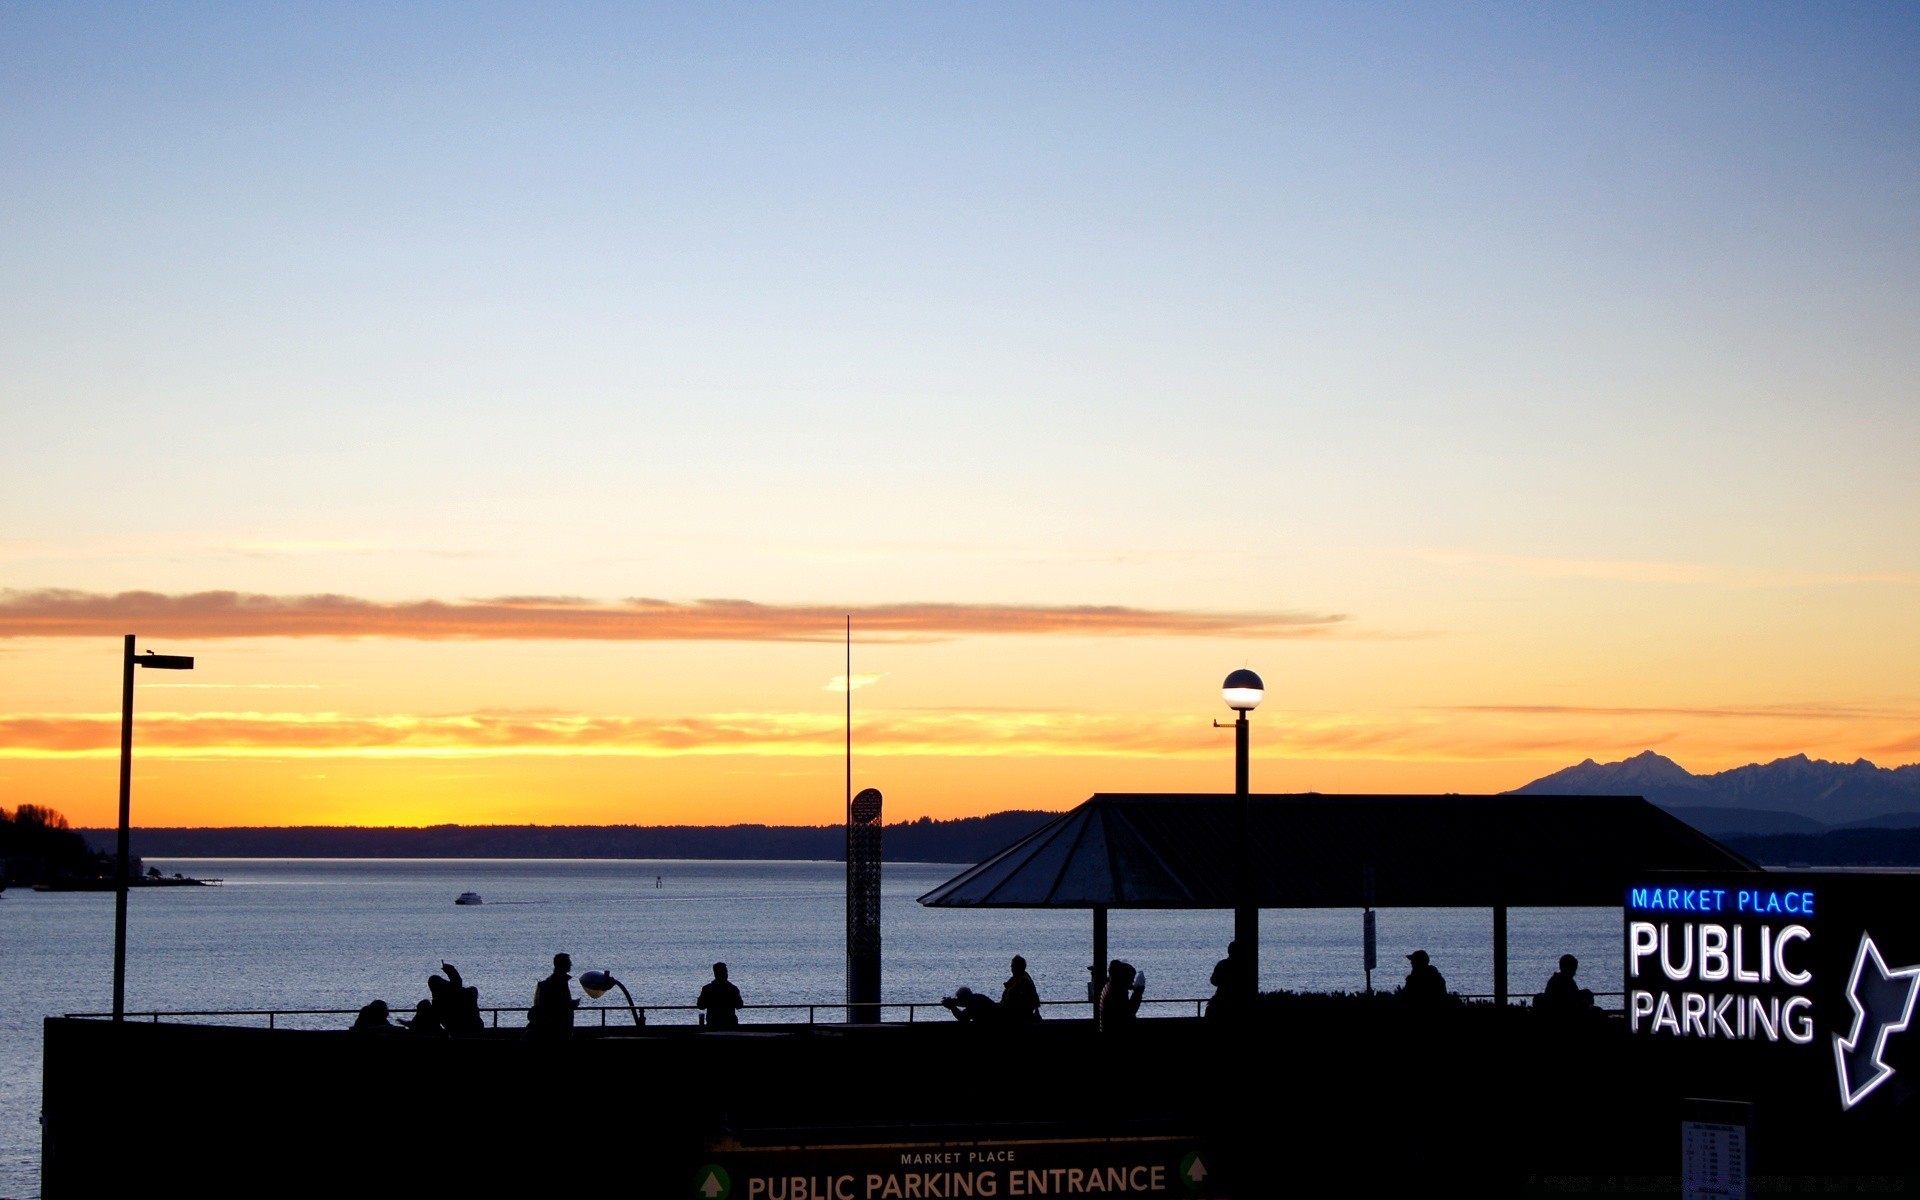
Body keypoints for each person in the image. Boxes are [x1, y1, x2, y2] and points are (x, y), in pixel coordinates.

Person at [527, 952, 580, 1039]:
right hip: (557, 1029)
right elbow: (556, 1005)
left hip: (555, 1028)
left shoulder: (552, 982)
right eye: (568, 962)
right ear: (563, 965)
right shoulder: (558, 983)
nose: (571, 964)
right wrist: (571, 1005)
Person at [1537, 954, 1596, 1018]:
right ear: (1566, 968)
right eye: (1573, 969)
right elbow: (1568, 1002)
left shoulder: (1568, 981)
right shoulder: (1558, 982)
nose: (1574, 973)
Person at [435, 962, 485, 1034]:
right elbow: (457, 983)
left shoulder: (441, 999)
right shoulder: (465, 998)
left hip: (456, 1029)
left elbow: (457, 983)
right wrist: (450, 970)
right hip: (470, 1028)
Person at [1096, 960, 1144, 1032]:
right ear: (1124, 978)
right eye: (1131, 979)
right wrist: (1138, 993)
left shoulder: (1110, 986)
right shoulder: (1118, 991)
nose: (1132, 982)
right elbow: (1128, 1014)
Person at [1206, 941, 1246, 1021]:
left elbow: (1213, 981)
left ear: (1228, 951)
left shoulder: (1222, 964)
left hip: (1221, 998)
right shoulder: (1243, 966)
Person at [698, 962, 745, 1030]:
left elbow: (700, 1006)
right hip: (730, 1024)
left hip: (713, 1023)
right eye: (725, 972)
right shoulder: (732, 988)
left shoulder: (707, 989)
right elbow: (739, 1005)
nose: (726, 974)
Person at [1000, 955, 1041, 1024]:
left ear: (1019, 967)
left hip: (1019, 1018)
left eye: (1013, 966)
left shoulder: (1023, 981)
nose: (1011, 968)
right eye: (1012, 966)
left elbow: (1021, 1001)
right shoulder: (1015, 980)